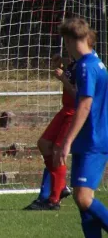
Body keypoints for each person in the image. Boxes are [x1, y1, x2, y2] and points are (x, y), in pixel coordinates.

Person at [56, 18, 108, 238]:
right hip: (88, 139)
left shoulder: (86, 66)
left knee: (84, 198)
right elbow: (82, 95)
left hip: (92, 140)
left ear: (69, 40)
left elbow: (85, 105)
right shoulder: (96, 63)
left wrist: (67, 141)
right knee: (81, 200)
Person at [23, 52, 75, 210]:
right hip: (65, 110)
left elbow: (78, 94)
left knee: (58, 152)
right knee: (44, 143)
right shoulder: (74, 63)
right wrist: (62, 64)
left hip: (75, 113)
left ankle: (54, 200)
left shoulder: (86, 66)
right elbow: (69, 71)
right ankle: (62, 186)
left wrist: (63, 79)